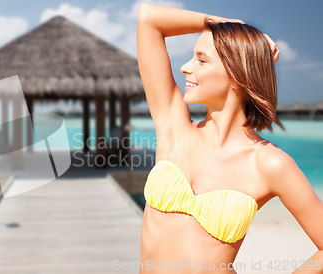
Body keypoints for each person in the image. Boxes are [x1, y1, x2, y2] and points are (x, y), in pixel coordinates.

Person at [137, 4, 323, 273]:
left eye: (201, 60)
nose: (185, 67)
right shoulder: (173, 128)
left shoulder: (269, 163)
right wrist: (230, 25)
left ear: (237, 74)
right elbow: (149, 19)